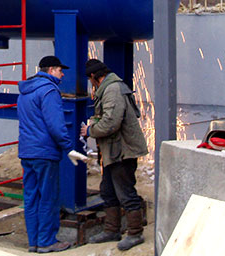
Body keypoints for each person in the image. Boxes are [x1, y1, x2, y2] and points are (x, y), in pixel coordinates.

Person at [17, 55, 86, 253]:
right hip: (45, 153)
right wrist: (68, 148)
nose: (62, 75)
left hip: (27, 152)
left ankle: (34, 242)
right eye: (60, 70)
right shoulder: (49, 90)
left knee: (31, 198)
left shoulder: (24, 91)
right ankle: (46, 242)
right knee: (48, 198)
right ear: (51, 70)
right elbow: (56, 124)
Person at [81, 59, 148, 251]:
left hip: (122, 152)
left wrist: (90, 130)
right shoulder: (109, 88)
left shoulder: (112, 90)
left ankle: (135, 233)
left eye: (90, 80)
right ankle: (112, 230)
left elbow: (111, 122)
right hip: (113, 152)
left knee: (125, 193)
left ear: (93, 76)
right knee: (108, 191)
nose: (91, 84)